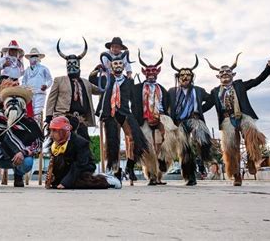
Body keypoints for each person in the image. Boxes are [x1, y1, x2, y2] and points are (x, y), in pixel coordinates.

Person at [203, 53, 270, 186]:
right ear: (218, 76)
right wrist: (193, 112)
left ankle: (251, 158)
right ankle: (237, 175)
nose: (225, 74)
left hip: (243, 116)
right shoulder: (215, 92)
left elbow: (257, 80)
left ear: (233, 75)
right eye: (222, 73)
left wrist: (268, 68)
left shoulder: (240, 85)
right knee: (231, 148)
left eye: (228, 72)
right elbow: (207, 105)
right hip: (227, 120)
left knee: (253, 136)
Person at [89, 51, 149, 183]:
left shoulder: (129, 82)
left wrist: (137, 115)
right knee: (112, 141)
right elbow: (92, 79)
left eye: (120, 63)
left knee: (135, 138)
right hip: (110, 112)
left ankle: (130, 166)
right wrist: (96, 69)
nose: (117, 65)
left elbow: (134, 100)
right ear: (111, 65)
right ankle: (114, 169)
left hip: (125, 112)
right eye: (115, 63)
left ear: (123, 66)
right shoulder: (106, 78)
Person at [0, 82, 43, 187]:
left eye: (17, 101)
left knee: (28, 162)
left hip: (20, 160)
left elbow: (38, 144)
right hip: (1, 156)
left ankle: (19, 176)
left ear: (23, 105)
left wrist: (23, 152)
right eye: (10, 101)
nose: (13, 104)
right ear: (5, 105)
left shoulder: (30, 123)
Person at [131, 49, 180, 185]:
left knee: (167, 143)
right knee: (148, 148)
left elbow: (169, 105)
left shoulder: (163, 89)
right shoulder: (136, 88)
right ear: (144, 73)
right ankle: (152, 175)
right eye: (148, 72)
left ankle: (160, 173)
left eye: (154, 72)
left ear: (158, 73)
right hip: (144, 119)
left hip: (162, 117)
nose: (151, 74)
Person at [168, 55, 213, 186]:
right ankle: (190, 176)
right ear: (178, 77)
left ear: (192, 77)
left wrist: (200, 110)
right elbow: (165, 104)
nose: (185, 78)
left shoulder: (198, 90)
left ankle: (203, 160)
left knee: (203, 140)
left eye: (188, 76)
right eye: (182, 76)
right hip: (180, 123)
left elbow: (211, 100)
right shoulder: (172, 91)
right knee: (185, 149)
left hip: (195, 119)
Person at [46, 37, 99, 142]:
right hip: (63, 117)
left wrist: (96, 73)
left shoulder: (86, 83)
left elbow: (100, 90)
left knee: (83, 145)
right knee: (62, 145)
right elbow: (51, 99)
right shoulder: (59, 80)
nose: (71, 67)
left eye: (74, 64)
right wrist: (48, 116)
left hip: (81, 120)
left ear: (79, 66)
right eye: (69, 64)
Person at [45, 116, 121, 189]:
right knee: (59, 182)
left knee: (82, 182)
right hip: (68, 170)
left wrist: (65, 182)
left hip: (83, 168)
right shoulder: (54, 144)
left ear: (64, 131)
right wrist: (53, 176)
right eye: (51, 130)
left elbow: (79, 165)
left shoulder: (80, 142)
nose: (51, 135)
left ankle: (109, 180)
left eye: (55, 131)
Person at [22, 47, 52, 125]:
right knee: (29, 113)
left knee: (37, 112)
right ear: (29, 59)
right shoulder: (27, 70)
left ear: (38, 58)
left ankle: (38, 129)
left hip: (40, 93)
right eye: (32, 56)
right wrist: (25, 89)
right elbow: (23, 81)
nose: (34, 58)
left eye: (35, 56)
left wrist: (46, 85)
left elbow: (50, 80)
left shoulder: (43, 69)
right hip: (29, 94)